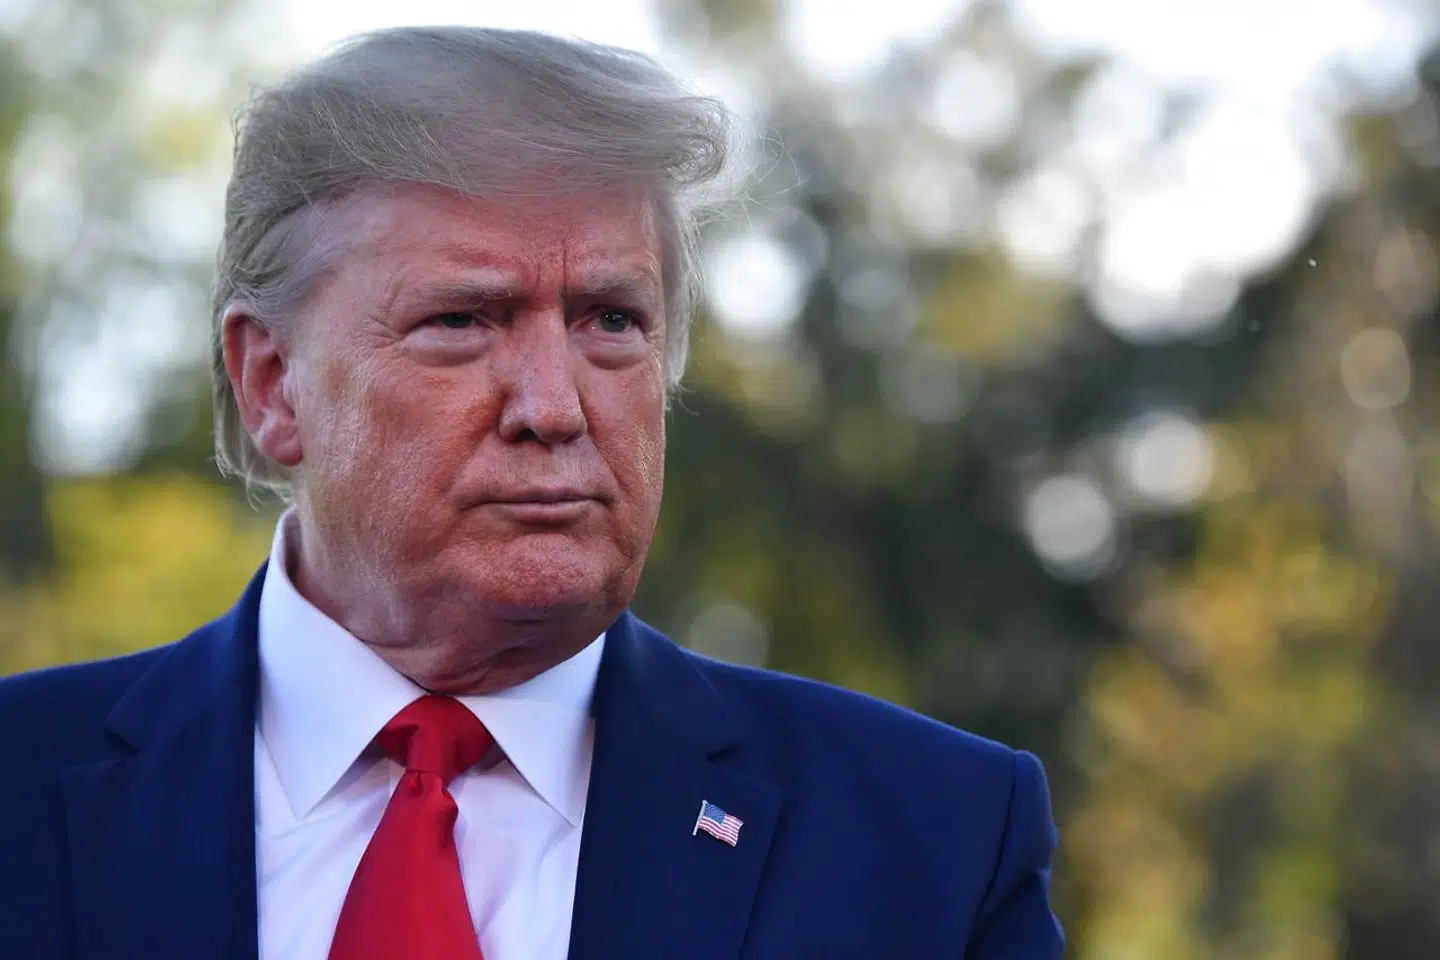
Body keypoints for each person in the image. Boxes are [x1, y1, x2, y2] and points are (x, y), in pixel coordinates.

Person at [0, 26, 1063, 959]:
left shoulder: (932, 839)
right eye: (463, 320)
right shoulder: (21, 792)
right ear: (273, 383)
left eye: (612, 320)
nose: (554, 407)